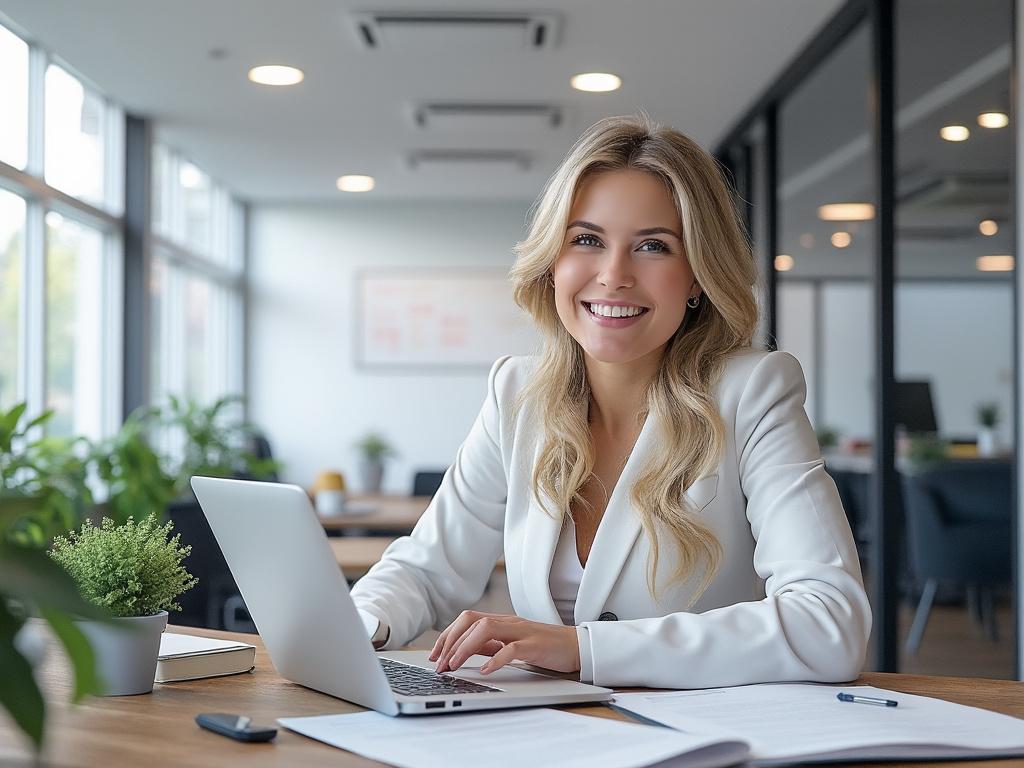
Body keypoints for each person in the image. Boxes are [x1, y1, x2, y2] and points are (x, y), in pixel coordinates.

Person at [350, 114, 871, 689]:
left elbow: (830, 622)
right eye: (587, 240)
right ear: (554, 260)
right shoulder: (517, 394)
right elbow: (427, 569)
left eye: (653, 246)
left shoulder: (753, 391)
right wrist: (355, 627)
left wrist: (584, 649)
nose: (614, 275)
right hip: (545, 734)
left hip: (699, 740)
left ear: (697, 275)